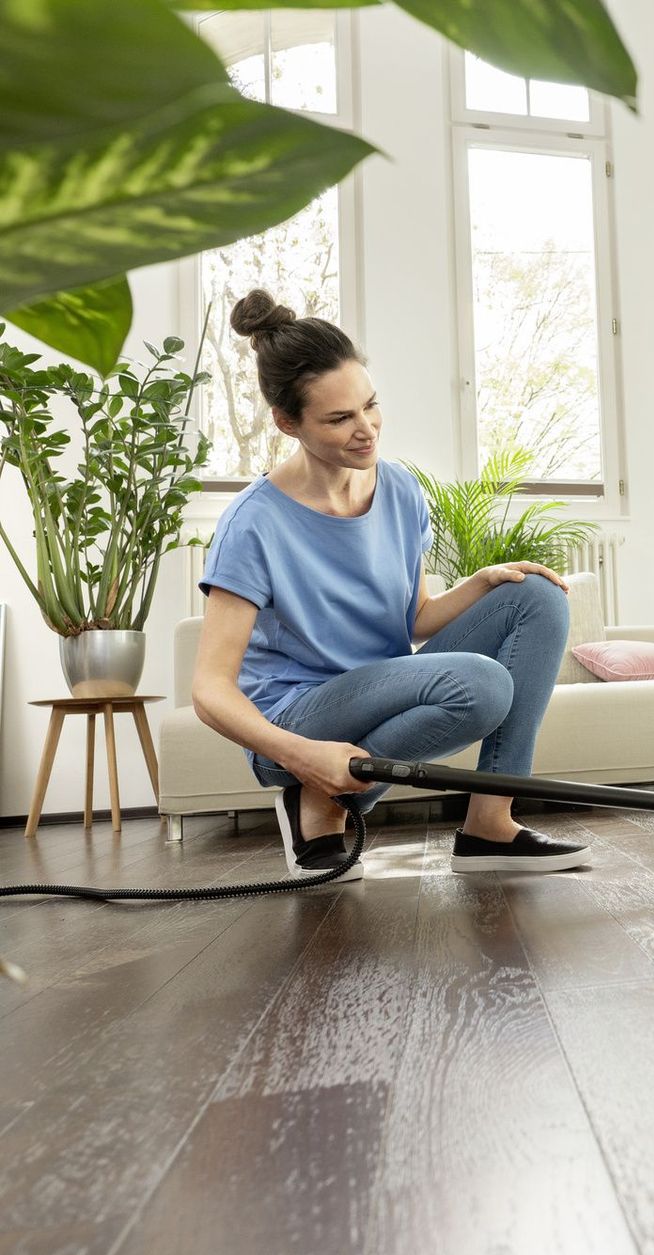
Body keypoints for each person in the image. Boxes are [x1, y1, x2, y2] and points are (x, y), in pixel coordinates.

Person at [191, 289, 589, 881]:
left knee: (535, 594)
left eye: (370, 405)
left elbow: (414, 620)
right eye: (339, 418)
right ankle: (313, 793)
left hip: (380, 689)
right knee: (480, 686)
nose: (366, 429)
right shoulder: (254, 523)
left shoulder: (399, 490)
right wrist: (306, 757)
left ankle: (489, 825)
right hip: (301, 719)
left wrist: (479, 584)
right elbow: (209, 690)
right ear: (286, 422)